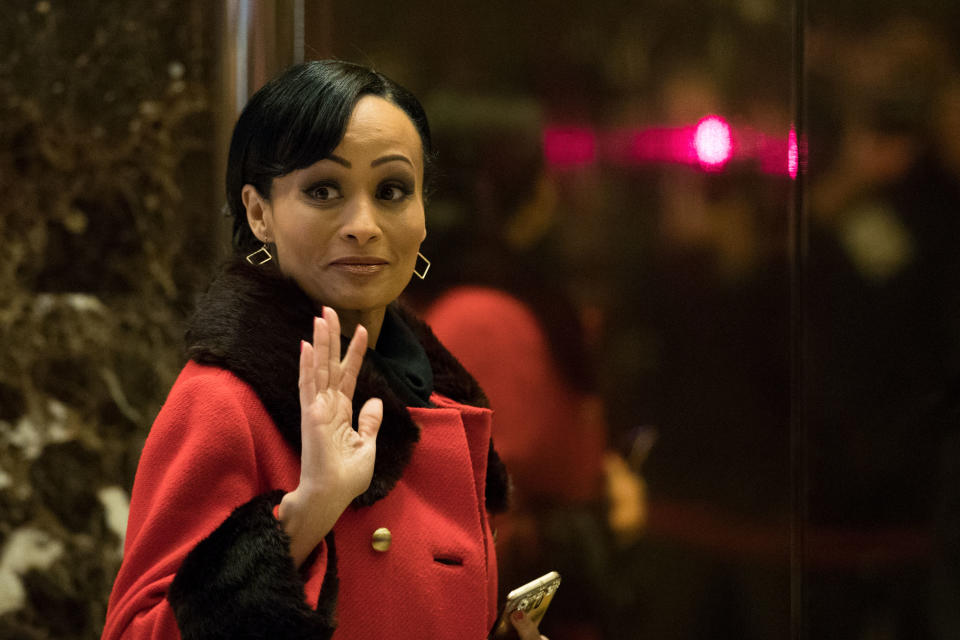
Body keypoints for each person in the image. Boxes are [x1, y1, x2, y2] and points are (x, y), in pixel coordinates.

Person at [101, 60, 547, 640]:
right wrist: (306, 511)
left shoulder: (434, 397)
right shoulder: (225, 399)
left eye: (392, 190)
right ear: (259, 213)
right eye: (323, 190)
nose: (363, 224)